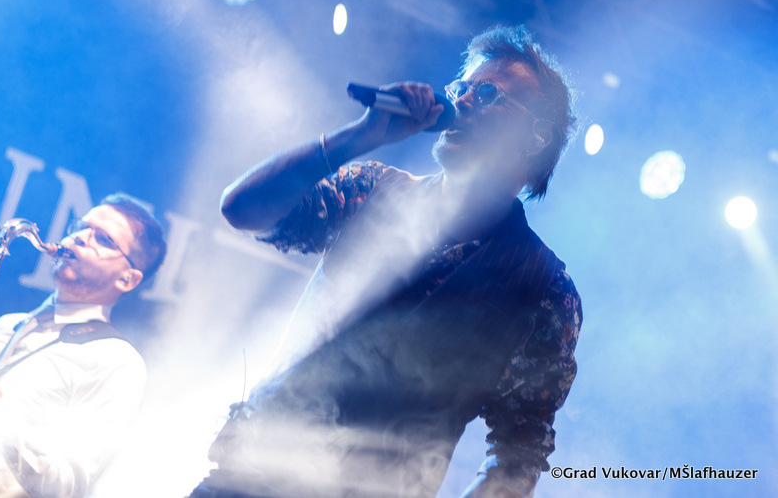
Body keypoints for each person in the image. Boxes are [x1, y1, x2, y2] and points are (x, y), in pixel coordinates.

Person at [195, 25, 583, 498]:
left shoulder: (545, 291)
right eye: (461, 88)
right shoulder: (372, 189)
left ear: (535, 137)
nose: (462, 102)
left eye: (487, 95)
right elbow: (242, 209)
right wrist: (361, 135)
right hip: (246, 476)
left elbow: (518, 454)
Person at [0, 193, 167, 498]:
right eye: (80, 226)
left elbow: (66, 485)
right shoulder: (7, 324)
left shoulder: (119, 363)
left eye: (103, 239)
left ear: (127, 279)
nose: (79, 237)